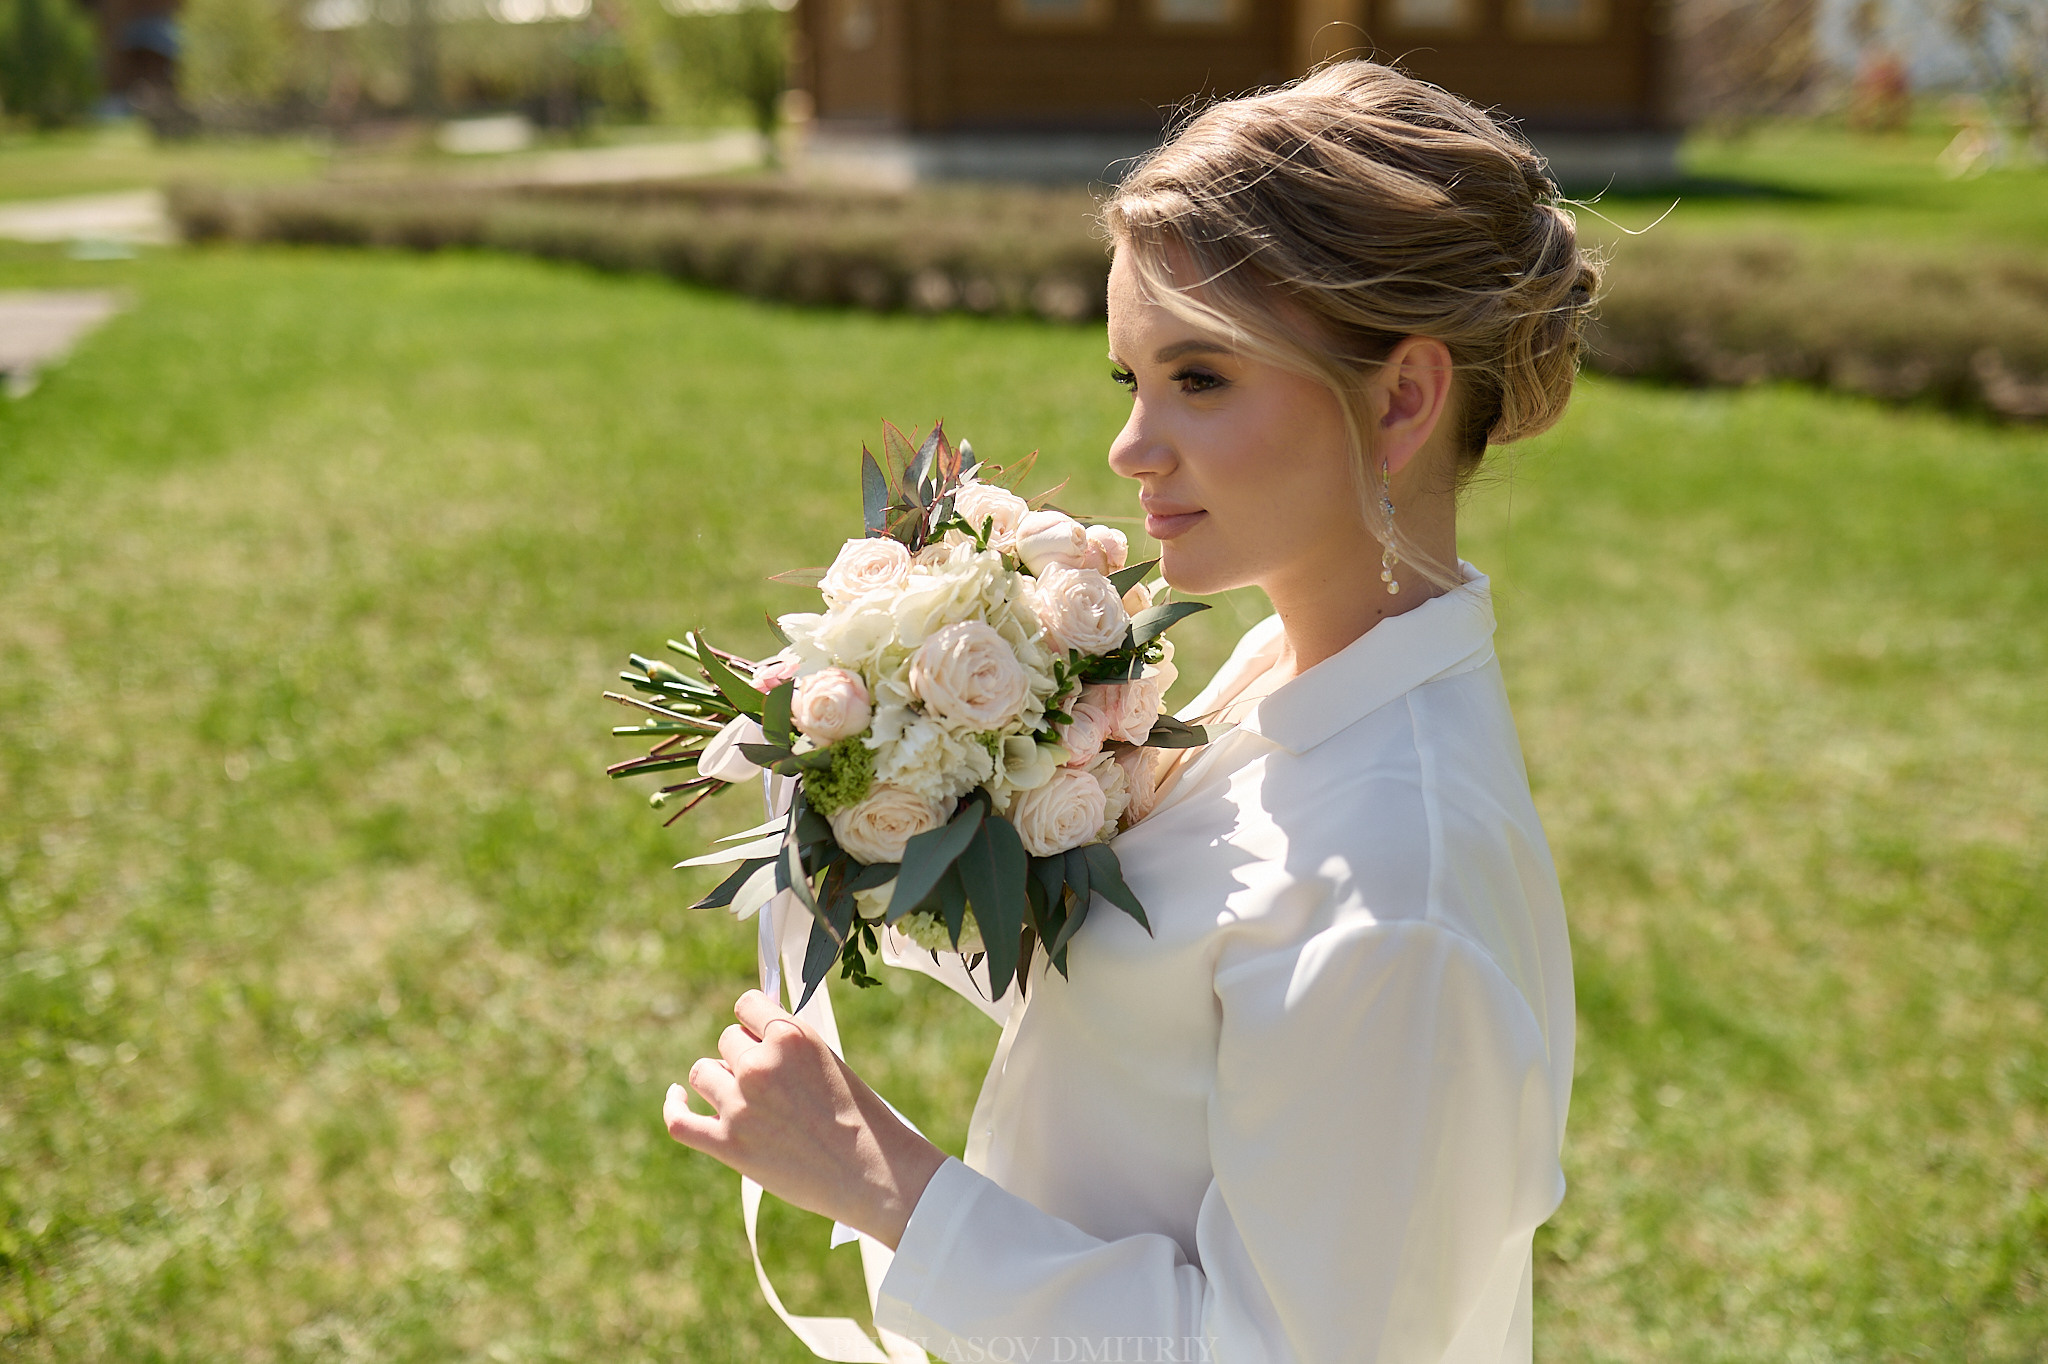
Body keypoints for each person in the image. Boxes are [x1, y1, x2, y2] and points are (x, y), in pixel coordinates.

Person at [662, 58, 1598, 1363]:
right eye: (1132, 380)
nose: (1131, 447)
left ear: (1399, 401)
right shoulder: (1298, 671)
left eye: (1202, 377)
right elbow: (1155, 1014)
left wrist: (884, 1181)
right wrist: (888, 804)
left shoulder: (1397, 902)